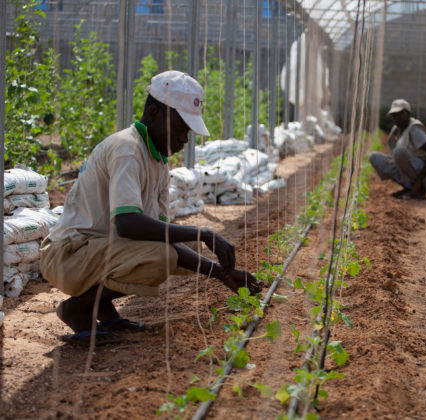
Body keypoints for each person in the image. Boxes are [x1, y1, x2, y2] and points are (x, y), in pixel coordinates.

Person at [40, 70, 262, 346]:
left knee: (184, 245)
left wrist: (221, 274)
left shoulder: (157, 162)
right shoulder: (127, 149)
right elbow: (128, 224)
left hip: (93, 250)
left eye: (188, 132)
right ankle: (78, 309)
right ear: (155, 113)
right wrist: (206, 232)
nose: (184, 140)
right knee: (163, 256)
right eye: (180, 128)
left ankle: (104, 310)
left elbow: (157, 232)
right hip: (67, 256)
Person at [370, 99, 426, 199]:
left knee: (399, 152)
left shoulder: (414, 129)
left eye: (400, 114)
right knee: (375, 157)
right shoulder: (397, 129)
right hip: (416, 172)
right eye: (394, 115)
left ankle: (418, 189)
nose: (396, 117)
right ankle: (408, 188)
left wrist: (418, 182)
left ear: (408, 114)